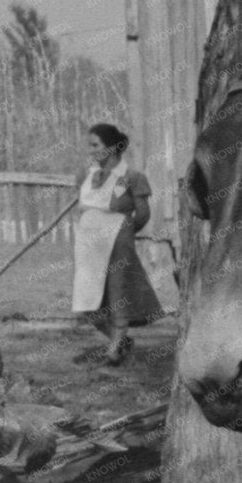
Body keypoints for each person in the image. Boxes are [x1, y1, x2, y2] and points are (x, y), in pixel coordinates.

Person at [71, 124, 163, 365]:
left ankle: (113, 352)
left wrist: (124, 233)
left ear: (111, 148)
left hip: (117, 240)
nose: (90, 150)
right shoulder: (86, 175)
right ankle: (119, 340)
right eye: (89, 145)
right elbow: (80, 208)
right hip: (88, 243)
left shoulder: (133, 177)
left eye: (95, 145)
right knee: (87, 299)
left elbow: (142, 213)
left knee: (117, 293)